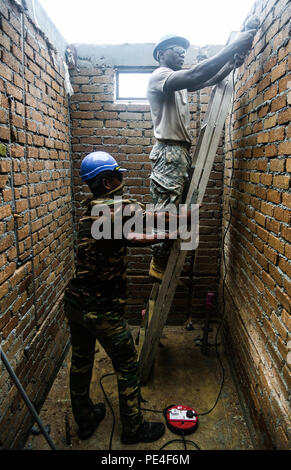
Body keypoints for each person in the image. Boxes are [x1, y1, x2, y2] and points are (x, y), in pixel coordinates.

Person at [64, 151, 192, 444]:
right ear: (108, 181)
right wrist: (182, 221)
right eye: (118, 174)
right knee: (127, 364)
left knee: (81, 362)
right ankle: (134, 430)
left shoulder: (91, 209)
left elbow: (131, 231)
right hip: (101, 309)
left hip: (75, 303)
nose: (123, 177)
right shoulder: (113, 208)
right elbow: (143, 227)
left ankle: (85, 421)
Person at [147, 30, 256, 281]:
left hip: (179, 152)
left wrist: (229, 64)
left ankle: (162, 258)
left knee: (176, 210)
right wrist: (232, 47)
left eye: (184, 48)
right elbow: (197, 74)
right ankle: (158, 262)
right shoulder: (161, 76)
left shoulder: (176, 81)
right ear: (161, 54)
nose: (182, 52)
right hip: (168, 152)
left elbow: (203, 80)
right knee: (167, 212)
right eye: (176, 48)